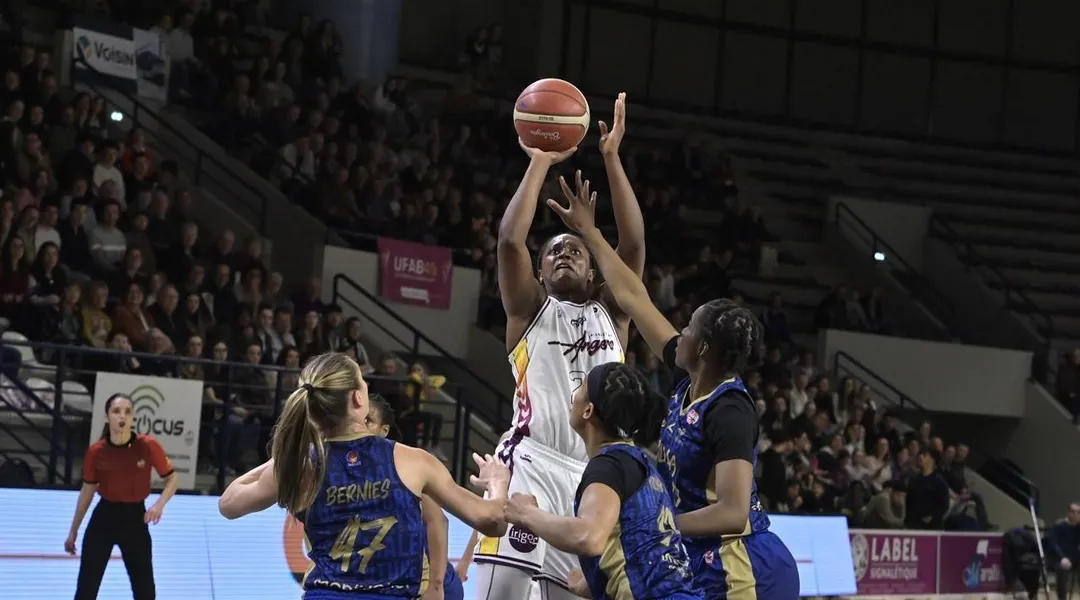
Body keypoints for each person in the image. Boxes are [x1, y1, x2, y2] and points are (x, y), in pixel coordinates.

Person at [546, 176, 799, 599]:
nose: (677, 330)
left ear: (701, 347)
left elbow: (734, 513)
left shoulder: (730, 410)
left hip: (746, 569)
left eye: (688, 326)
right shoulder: (691, 381)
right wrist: (589, 231)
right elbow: (633, 297)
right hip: (702, 558)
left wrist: (655, 526)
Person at [477, 92, 646, 600]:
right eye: (553, 253)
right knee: (500, 594)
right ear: (541, 271)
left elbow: (634, 246)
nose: (564, 254)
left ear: (595, 268)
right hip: (531, 460)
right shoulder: (529, 311)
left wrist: (611, 159)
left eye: (574, 249)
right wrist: (538, 162)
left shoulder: (613, 316)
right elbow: (510, 241)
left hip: (593, 475)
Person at [216, 352, 510, 600]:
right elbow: (492, 521)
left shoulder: (300, 465)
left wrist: (286, 456)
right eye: (364, 383)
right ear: (358, 398)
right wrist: (497, 484)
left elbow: (229, 504)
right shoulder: (412, 461)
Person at [504, 362, 703, 600]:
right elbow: (642, 548)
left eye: (580, 389)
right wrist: (597, 585)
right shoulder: (640, 465)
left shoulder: (608, 467)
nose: (574, 395)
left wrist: (527, 513)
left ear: (588, 410)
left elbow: (588, 537)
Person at [66, 393, 180, 600]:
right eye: (117, 411)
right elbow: (88, 491)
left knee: (145, 591)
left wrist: (159, 505)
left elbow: (172, 479)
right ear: (108, 416)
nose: (122, 416)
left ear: (133, 417)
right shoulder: (96, 451)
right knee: (86, 589)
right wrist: (73, 530)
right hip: (104, 519)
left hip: (135, 520)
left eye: (127, 411)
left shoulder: (147, 445)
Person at [360, 393, 465, 600]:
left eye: (369, 420)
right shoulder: (346, 470)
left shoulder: (403, 467)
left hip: (430, 584)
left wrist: (435, 585)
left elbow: (438, 520)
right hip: (384, 584)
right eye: (359, 420)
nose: (362, 426)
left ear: (384, 431)